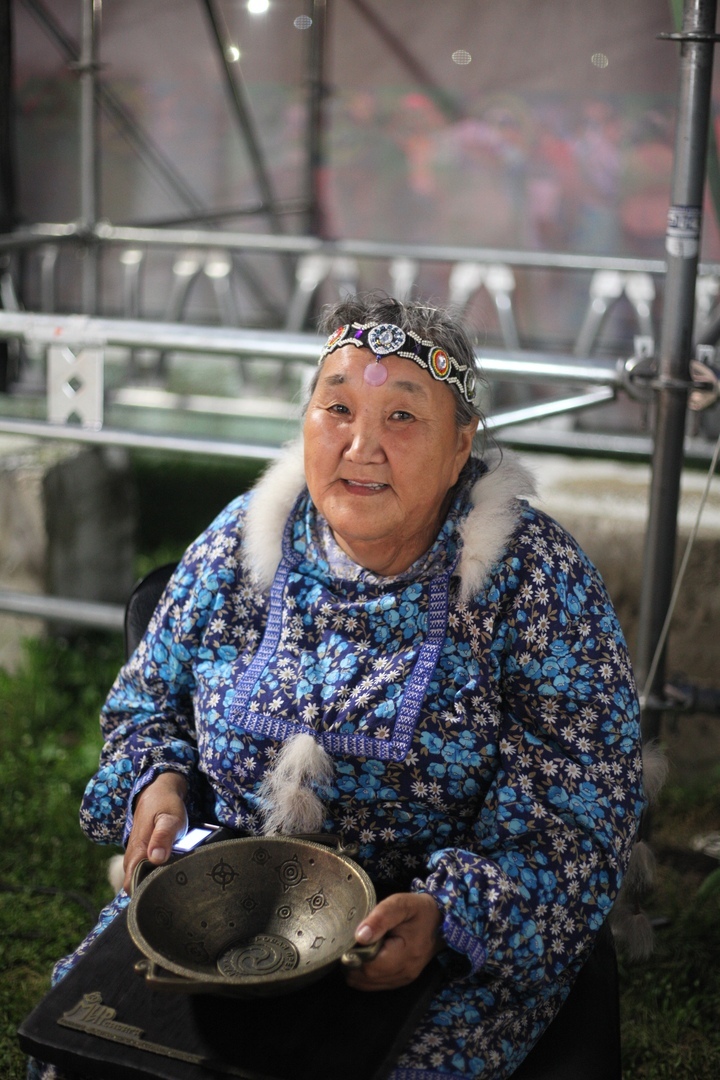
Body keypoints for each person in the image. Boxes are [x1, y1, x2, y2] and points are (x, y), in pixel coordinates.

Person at [30, 294, 645, 1080]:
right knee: (85, 1056)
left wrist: (448, 919)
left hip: (425, 936)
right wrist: (159, 783)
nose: (362, 445)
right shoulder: (239, 542)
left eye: (401, 418)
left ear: (462, 449)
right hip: (224, 901)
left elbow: (579, 809)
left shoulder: (534, 583)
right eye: (338, 408)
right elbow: (149, 702)